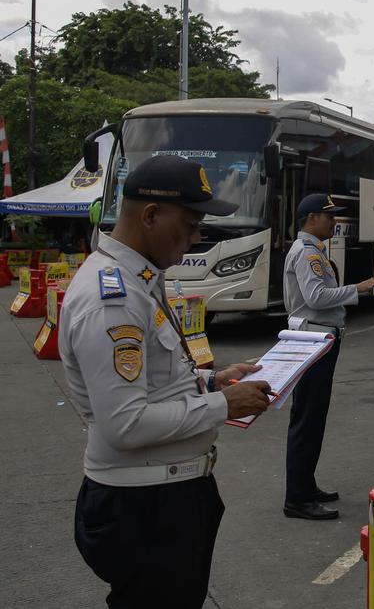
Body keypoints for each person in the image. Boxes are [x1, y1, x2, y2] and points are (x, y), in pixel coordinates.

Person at [60, 155, 274, 608]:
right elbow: (126, 424)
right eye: (191, 224)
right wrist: (224, 405)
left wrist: (211, 381)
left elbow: (153, 377)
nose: (197, 238)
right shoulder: (111, 298)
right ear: (152, 216)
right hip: (147, 508)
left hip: (163, 497)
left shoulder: (137, 280)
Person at [282, 193, 374, 519]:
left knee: (314, 418)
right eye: (329, 216)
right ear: (311, 218)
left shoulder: (314, 251)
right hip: (312, 341)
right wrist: (359, 287)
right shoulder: (307, 253)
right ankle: (297, 499)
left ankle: (305, 485)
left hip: (320, 340)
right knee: (307, 419)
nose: (335, 221)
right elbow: (316, 296)